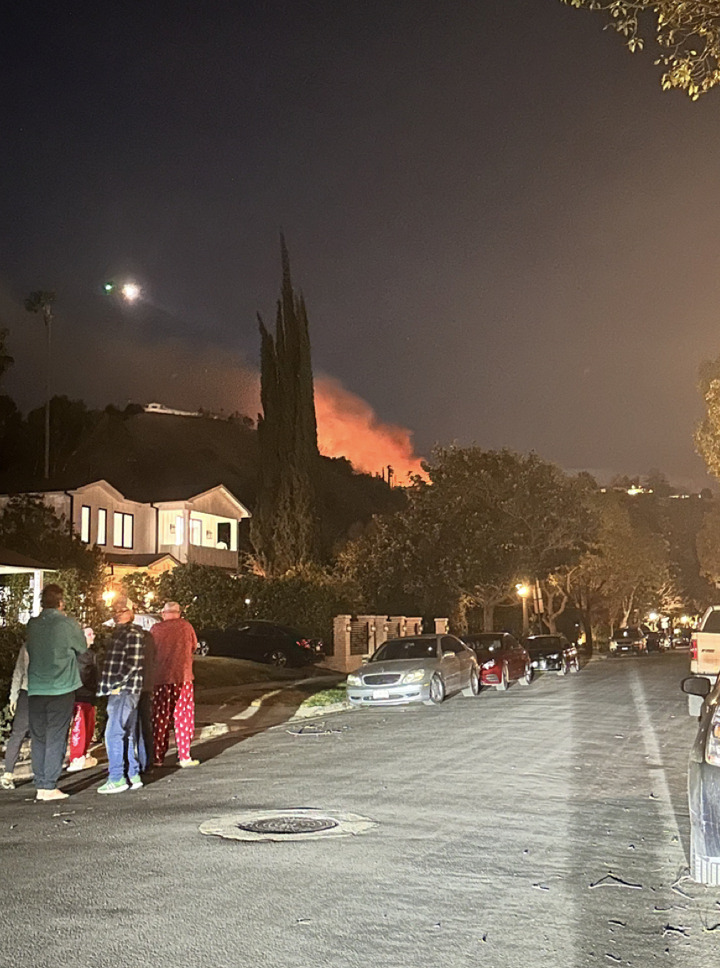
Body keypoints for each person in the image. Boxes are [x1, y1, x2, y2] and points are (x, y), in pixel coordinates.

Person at [25, 584, 86, 802]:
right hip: (61, 686)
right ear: (61, 602)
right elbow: (82, 649)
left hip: (36, 688)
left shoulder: (32, 625)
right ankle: (49, 785)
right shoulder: (67, 624)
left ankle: (41, 783)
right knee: (56, 736)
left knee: (38, 736)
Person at [96, 603, 145, 794]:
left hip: (124, 690)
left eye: (121, 611)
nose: (116, 615)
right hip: (120, 690)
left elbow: (133, 664)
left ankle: (117, 778)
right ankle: (133, 774)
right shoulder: (119, 633)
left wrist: (115, 683)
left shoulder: (132, 633)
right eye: (115, 612)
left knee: (113, 733)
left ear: (130, 613)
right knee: (127, 732)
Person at [151, 601, 199, 768]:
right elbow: (193, 646)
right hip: (182, 678)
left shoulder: (156, 629)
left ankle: (157, 756)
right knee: (184, 716)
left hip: (160, 679)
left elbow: (151, 651)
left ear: (164, 613)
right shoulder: (186, 627)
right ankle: (184, 755)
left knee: (160, 718)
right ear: (179, 613)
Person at [67, 627, 99, 772]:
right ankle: (77, 756)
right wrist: (94, 687)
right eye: (89, 634)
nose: (93, 636)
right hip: (84, 694)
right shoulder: (88, 655)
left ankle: (80, 755)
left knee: (84, 725)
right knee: (82, 726)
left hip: (75, 694)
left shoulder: (71, 654)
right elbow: (89, 675)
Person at [1, 644, 30, 790]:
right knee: (41, 734)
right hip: (43, 693)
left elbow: (19, 672)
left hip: (26, 692)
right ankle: (43, 774)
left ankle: (8, 773)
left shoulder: (27, 645)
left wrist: (13, 697)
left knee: (17, 733)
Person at [136, 625, 156, 774]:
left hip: (133, 686)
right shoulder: (148, 638)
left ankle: (139, 761)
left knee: (133, 725)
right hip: (147, 684)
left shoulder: (130, 638)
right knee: (145, 723)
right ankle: (148, 761)